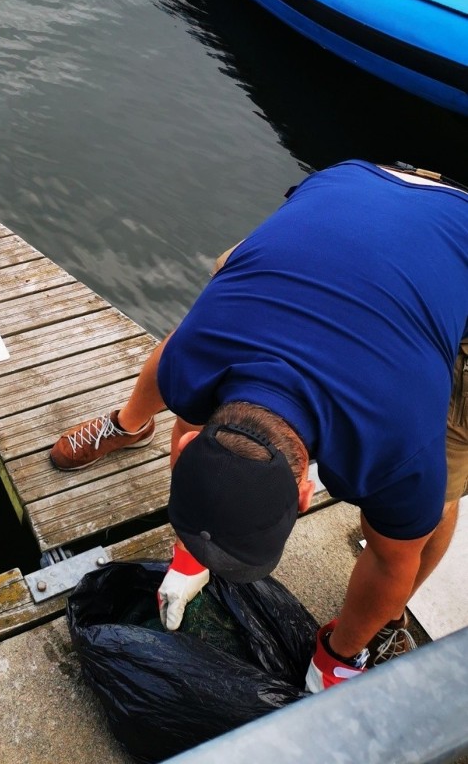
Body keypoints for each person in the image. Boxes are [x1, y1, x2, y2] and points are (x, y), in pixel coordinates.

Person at [50, 160, 468, 691]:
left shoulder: (403, 450)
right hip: (349, 188)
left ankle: (381, 629)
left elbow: (391, 560)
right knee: (216, 300)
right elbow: (191, 419)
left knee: (441, 492)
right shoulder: (196, 358)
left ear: (304, 494)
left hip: (456, 229)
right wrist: (193, 550)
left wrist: (337, 656)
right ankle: (129, 425)